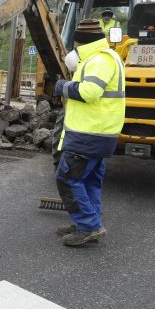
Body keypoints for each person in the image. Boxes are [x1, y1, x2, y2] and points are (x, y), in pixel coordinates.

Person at [53, 18, 125, 247]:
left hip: (89, 133)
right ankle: (87, 222)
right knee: (89, 179)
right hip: (97, 132)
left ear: (79, 42)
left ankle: (89, 225)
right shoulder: (106, 57)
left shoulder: (98, 60)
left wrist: (62, 86)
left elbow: (91, 91)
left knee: (68, 178)